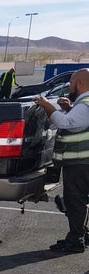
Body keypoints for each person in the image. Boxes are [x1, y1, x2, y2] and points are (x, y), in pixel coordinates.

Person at [34, 68, 89, 253]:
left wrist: (46, 105)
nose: (70, 87)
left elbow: (67, 124)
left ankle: (75, 240)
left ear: (80, 84)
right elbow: (78, 121)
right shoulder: (83, 104)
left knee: (76, 201)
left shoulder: (85, 104)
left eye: (72, 83)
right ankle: (80, 235)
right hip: (81, 162)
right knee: (79, 200)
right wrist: (69, 109)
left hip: (80, 163)